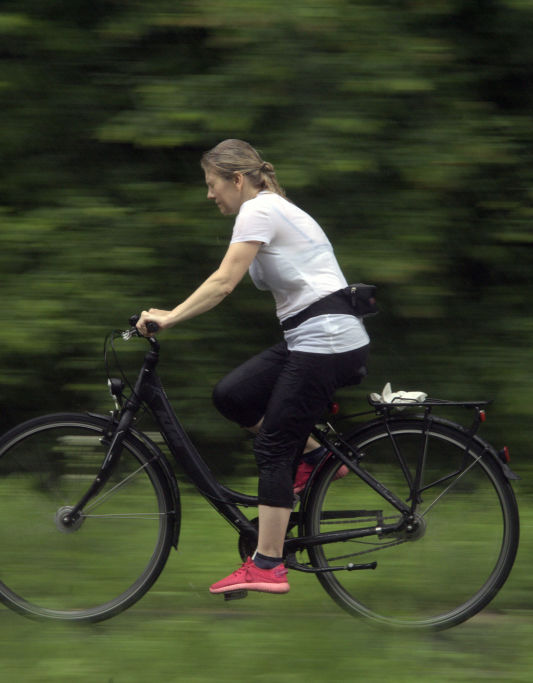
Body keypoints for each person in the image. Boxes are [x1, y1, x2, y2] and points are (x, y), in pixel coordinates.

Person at [136, 139, 370, 596]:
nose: (209, 194)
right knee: (234, 396)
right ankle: (317, 454)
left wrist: (170, 316)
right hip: (312, 338)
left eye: (212, 184)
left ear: (237, 179)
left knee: (273, 450)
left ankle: (267, 564)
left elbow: (224, 283)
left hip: (326, 341)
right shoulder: (271, 210)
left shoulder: (259, 210)